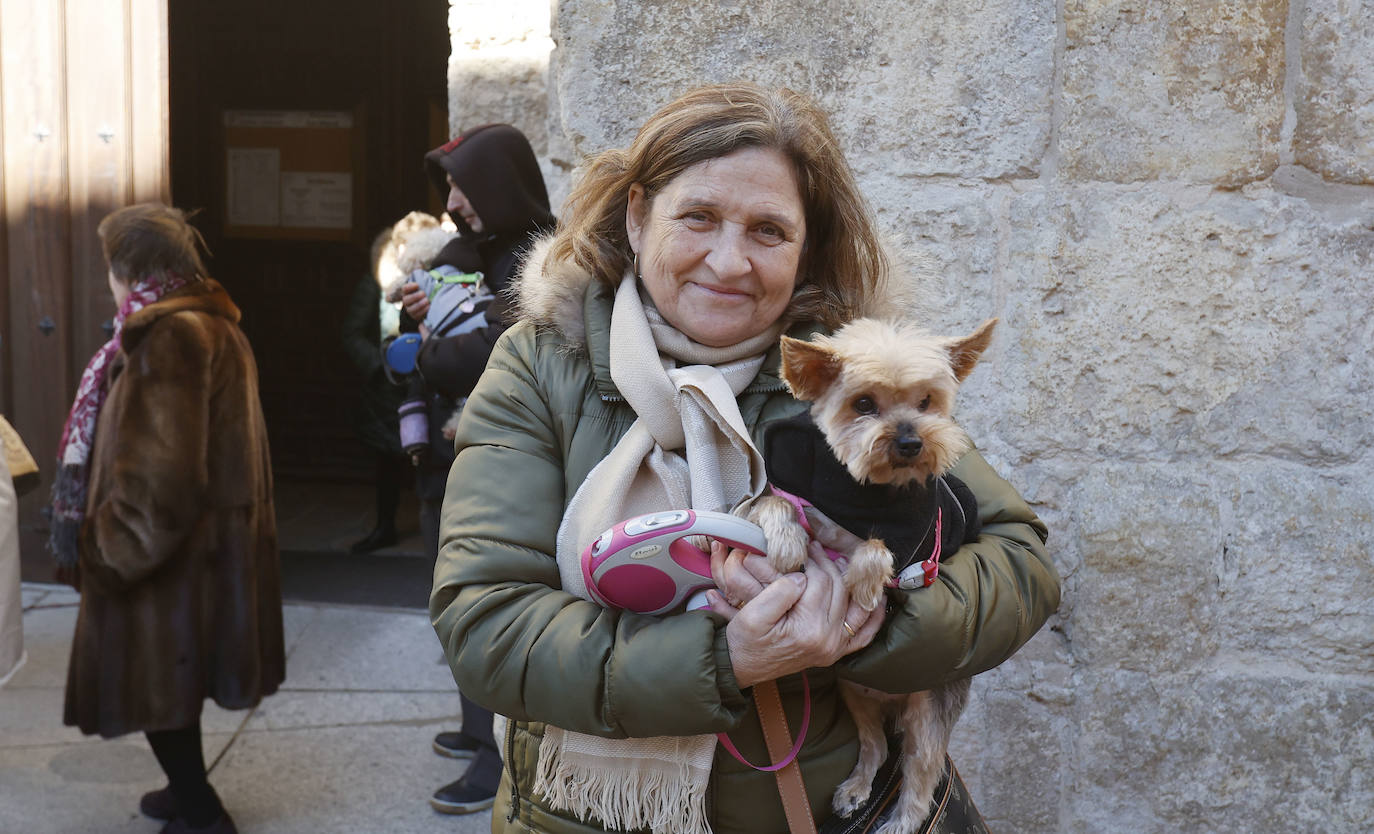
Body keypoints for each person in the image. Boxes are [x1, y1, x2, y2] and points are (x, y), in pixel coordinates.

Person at [429, 83, 1060, 834]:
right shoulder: (539, 365)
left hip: (818, 813)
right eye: (697, 217)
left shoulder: (847, 374)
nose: (729, 262)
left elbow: (1021, 565)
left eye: (769, 231)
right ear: (637, 216)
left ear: (807, 248)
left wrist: (869, 624)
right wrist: (726, 658)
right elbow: (484, 624)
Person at [51, 203, 283, 834]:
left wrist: (104, 550)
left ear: (126, 267)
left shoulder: (169, 337)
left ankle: (203, 814)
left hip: (168, 559)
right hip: (205, 554)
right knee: (175, 682)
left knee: (157, 681)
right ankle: (188, 793)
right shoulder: (210, 324)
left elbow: (160, 486)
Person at [402, 124, 556, 814]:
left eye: (465, 186)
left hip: (503, 463)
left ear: (498, 186)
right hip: (446, 453)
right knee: (456, 595)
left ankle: (500, 762)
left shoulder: (542, 262)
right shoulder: (473, 251)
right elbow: (431, 318)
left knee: (493, 602)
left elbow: (493, 352)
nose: (455, 202)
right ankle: (476, 729)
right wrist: (416, 314)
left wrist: (429, 353)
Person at [341, 211, 439, 552]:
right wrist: (378, 367)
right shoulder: (379, 282)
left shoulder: (439, 281)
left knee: (430, 457)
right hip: (386, 388)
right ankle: (385, 526)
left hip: (426, 380)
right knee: (387, 462)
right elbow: (353, 333)